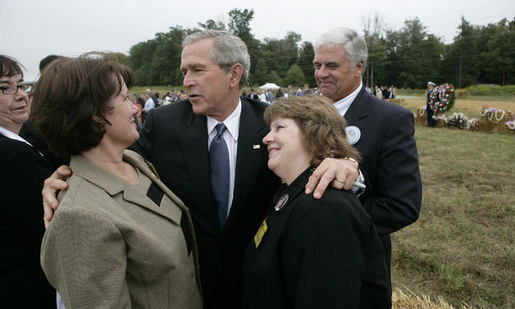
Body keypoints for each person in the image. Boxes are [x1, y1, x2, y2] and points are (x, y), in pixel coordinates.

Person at [42, 30, 359, 308]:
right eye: (184, 71)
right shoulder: (161, 124)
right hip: (186, 287)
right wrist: (60, 177)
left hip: (257, 286)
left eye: (197, 70)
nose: (186, 81)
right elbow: (104, 160)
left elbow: (319, 161)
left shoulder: (272, 125)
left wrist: (345, 162)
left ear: (233, 75)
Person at [31, 56, 202, 308]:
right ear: (94, 114)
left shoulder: (133, 161)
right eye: (125, 98)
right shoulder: (79, 216)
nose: (136, 108)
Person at [243, 95, 390, 308]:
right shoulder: (292, 192)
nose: (266, 138)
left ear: (313, 134)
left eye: (279, 128)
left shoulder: (325, 209)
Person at [312, 27, 422, 291]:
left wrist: (334, 223)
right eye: (317, 64)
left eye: (332, 65)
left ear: (358, 67)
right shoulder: (301, 113)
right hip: (300, 256)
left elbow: (402, 206)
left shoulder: (390, 119)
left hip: (356, 264)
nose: (321, 73)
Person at [0, 55, 57, 308]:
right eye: (4, 88)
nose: (21, 95)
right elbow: (50, 224)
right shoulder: (11, 155)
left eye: (21, 85)